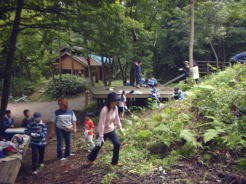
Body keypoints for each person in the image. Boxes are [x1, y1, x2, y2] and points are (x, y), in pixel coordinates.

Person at [87, 92, 124, 166]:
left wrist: (120, 127)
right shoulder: (104, 109)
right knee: (98, 146)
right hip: (102, 132)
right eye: (113, 101)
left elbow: (117, 118)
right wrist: (100, 136)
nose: (115, 103)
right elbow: (101, 123)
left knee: (117, 144)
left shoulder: (115, 108)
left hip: (111, 130)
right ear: (109, 101)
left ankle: (114, 162)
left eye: (116, 101)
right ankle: (90, 159)